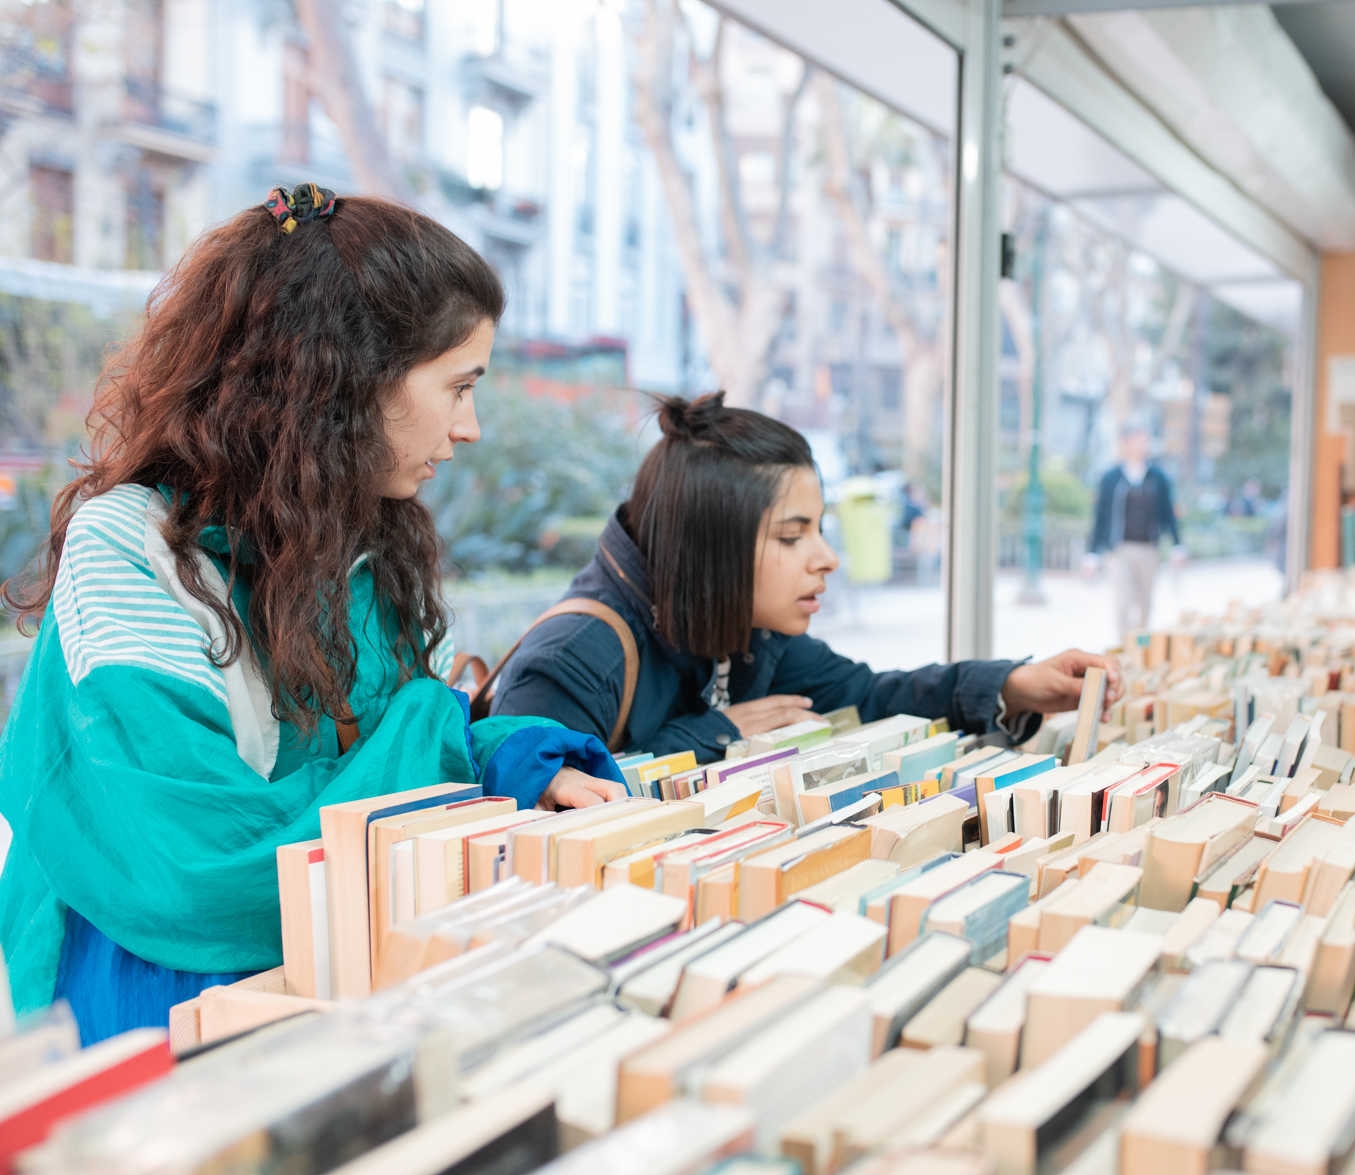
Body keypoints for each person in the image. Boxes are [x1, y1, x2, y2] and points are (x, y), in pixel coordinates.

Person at [0, 185, 626, 1042]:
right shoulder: (132, 547)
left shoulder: (361, 542)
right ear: (347, 378)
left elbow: (365, 777)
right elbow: (198, 869)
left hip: (327, 984)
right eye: (458, 387)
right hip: (160, 1017)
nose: (471, 426)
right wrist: (439, 732)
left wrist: (514, 761)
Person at [485, 392, 1120, 760]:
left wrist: (1013, 686)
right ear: (712, 545)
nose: (827, 558)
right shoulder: (573, 660)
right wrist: (714, 737)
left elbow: (871, 699)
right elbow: (525, 829)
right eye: (793, 536)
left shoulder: (751, 629)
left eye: (820, 528)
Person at [1084, 421, 1184, 642]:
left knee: (1144, 604)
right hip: (1119, 550)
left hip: (1149, 550)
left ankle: (1141, 648)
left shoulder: (1158, 477)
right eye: (1138, 440)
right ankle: (1124, 648)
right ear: (1125, 443)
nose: (1142, 445)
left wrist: (1177, 545)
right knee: (1123, 602)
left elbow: (1168, 513)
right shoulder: (1111, 478)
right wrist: (1092, 553)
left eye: (1144, 441)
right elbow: (1100, 516)